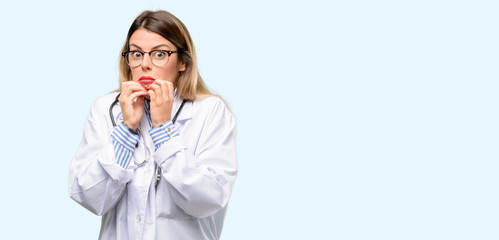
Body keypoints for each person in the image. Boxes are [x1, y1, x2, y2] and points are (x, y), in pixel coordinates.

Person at [68, 10, 237, 240]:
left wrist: (163, 129)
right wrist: (127, 129)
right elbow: (89, 197)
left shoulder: (210, 111)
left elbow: (208, 200)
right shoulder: (105, 109)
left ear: (182, 63)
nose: (145, 64)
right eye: (137, 54)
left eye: (159, 54)